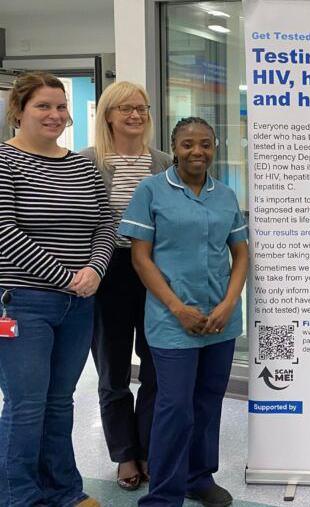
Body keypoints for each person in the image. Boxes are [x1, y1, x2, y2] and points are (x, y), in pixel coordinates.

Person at [119, 117, 249, 506]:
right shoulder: (152, 190)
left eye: (206, 144)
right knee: (175, 407)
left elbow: (241, 253)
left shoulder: (225, 195)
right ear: (174, 148)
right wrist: (178, 308)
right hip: (172, 320)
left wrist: (228, 303)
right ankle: (164, 494)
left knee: (208, 401)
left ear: (215, 147)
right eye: (189, 144)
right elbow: (140, 259)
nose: (198, 152)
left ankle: (198, 476)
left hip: (221, 321)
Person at [0, 71, 115, 507]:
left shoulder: (82, 163)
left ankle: (63, 490)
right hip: (22, 304)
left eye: (60, 106)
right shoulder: (5, 161)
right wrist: (66, 276)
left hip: (79, 302)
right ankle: (18, 497)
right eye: (42, 106)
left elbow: (105, 222)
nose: (55, 115)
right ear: (19, 111)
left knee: (59, 402)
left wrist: (96, 269)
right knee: (26, 405)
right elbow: (4, 232)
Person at [81, 80, 172, 491]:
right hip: (109, 271)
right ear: (108, 115)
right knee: (113, 370)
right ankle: (125, 455)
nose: (135, 115)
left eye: (142, 108)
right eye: (125, 108)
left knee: (156, 367)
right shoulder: (86, 162)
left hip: (154, 270)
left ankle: (150, 448)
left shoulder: (164, 162)